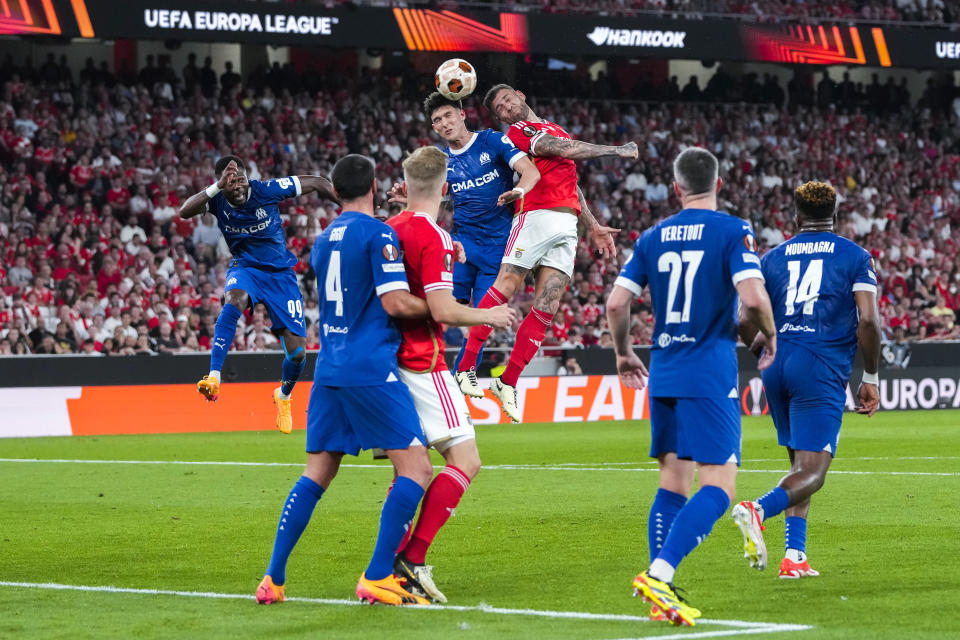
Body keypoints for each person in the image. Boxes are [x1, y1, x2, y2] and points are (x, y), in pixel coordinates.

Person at [605, 147, 777, 626]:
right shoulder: (731, 230)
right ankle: (660, 574)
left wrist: (623, 352)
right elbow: (752, 296)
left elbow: (617, 304)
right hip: (708, 371)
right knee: (719, 486)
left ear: (676, 188)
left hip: (664, 371)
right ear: (718, 184)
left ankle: (661, 594)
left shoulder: (652, 237)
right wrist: (771, 333)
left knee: (672, 483)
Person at [255, 154, 435, 607]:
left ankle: (273, 578)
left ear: (334, 192)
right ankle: (377, 575)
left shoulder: (321, 240)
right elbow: (395, 303)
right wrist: (441, 307)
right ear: (374, 185)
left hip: (330, 366)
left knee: (317, 472)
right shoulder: (380, 235)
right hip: (370, 368)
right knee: (416, 468)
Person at [455, 84, 633, 422]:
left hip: (566, 225)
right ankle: (466, 367)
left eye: (507, 100)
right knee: (506, 286)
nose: (506, 108)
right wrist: (614, 150)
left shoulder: (551, 126)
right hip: (535, 214)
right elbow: (562, 149)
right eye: (499, 109)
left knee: (547, 306)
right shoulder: (519, 134)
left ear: (521, 95)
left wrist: (592, 224)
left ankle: (507, 381)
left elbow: (569, 176)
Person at [386, 146, 518, 602]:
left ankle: (390, 566)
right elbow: (442, 309)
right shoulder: (436, 236)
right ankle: (411, 559)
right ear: (446, 189)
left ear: (405, 186)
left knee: (411, 467)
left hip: (386, 362)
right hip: (424, 360)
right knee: (466, 461)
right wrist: (489, 317)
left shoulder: (387, 229)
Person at [733, 181, 881, 579]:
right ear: (836, 216)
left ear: (795, 218)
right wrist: (870, 375)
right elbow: (867, 319)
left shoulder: (771, 258)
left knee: (799, 467)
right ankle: (757, 509)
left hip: (778, 364)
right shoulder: (855, 256)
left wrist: (761, 351)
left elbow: (745, 317)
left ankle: (794, 556)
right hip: (820, 366)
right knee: (813, 472)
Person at [178, 155, 337, 433]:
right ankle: (214, 377)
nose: (238, 188)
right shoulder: (217, 199)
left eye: (240, 179)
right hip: (246, 268)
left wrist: (353, 208)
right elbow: (184, 211)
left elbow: (318, 183)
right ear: (221, 184)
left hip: (280, 276)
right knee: (235, 299)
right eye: (230, 183)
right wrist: (217, 187)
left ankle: (284, 396)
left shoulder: (266, 189)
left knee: (298, 353)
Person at [389, 92, 540, 382]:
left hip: (498, 249)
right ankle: (423, 371)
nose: (444, 124)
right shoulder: (441, 160)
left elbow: (530, 172)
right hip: (463, 247)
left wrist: (519, 191)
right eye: (437, 121)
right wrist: (406, 202)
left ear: (461, 114)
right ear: (434, 128)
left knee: (480, 323)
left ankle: (459, 378)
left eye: (447, 116)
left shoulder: (492, 141)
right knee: (443, 312)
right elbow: (433, 204)